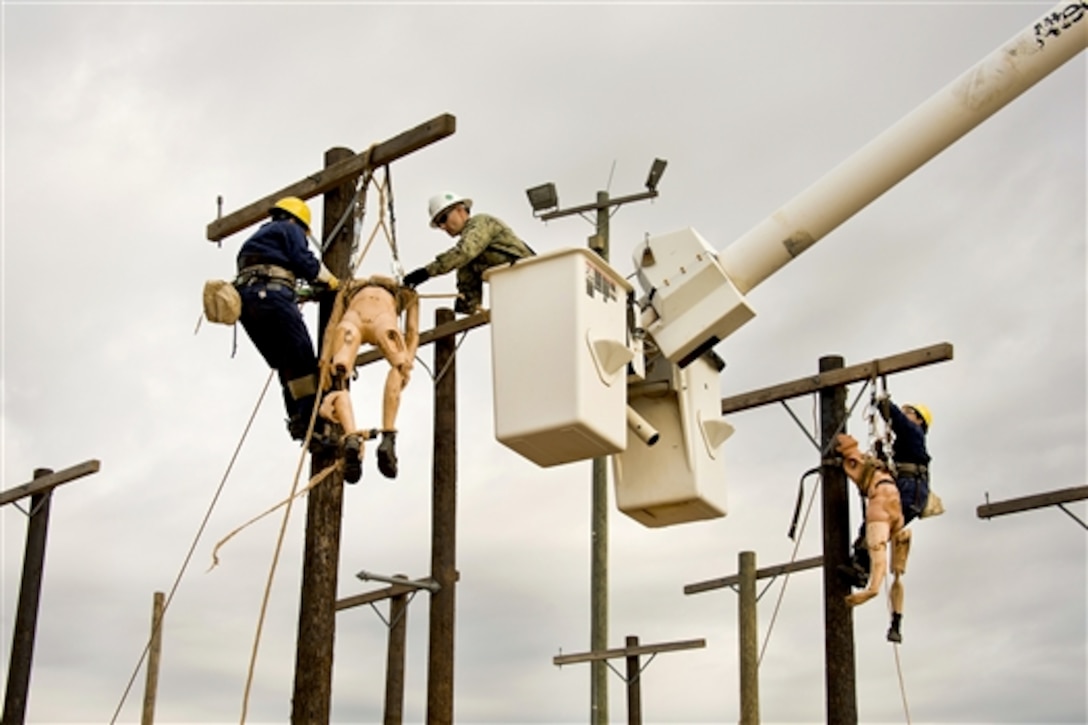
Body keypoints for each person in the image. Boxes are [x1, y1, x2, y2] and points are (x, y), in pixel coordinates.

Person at [235, 196, 339, 442]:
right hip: (272, 297)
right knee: (302, 359)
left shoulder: (256, 241)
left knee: (286, 363)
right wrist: (330, 281)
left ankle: (298, 419)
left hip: (248, 305)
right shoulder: (289, 229)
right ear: (296, 219)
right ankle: (313, 422)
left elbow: (266, 274)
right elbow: (304, 262)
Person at [318, 275, 420, 483]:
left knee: (338, 374)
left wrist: (324, 361)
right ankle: (388, 436)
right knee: (397, 368)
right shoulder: (405, 292)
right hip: (383, 319)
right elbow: (412, 332)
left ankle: (351, 437)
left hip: (353, 318)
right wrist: (406, 361)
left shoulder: (349, 289)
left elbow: (331, 327)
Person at [402, 191, 535, 314]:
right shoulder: (468, 259)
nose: (442, 227)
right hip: (517, 290)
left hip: (534, 275)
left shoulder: (481, 222)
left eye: (443, 219)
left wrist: (426, 272)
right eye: (438, 224)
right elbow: (468, 292)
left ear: (460, 210)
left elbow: (465, 252)